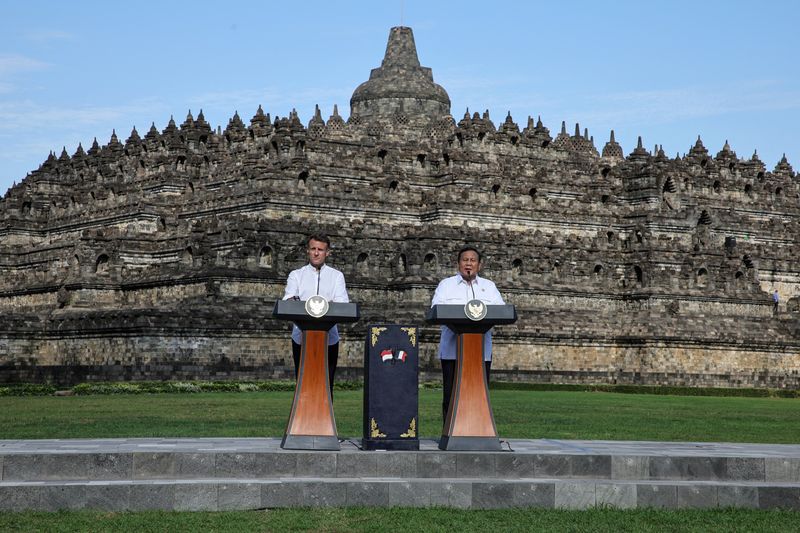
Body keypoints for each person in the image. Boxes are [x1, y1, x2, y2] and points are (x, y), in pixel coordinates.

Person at [431, 245, 505, 417]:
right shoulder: (446, 285)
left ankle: (480, 434)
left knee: (479, 395)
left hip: (480, 353)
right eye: (465, 260)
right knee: (451, 395)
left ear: (479, 265)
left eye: (473, 260)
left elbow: (501, 310)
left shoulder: (489, 286)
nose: (469, 264)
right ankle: (449, 435)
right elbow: (436, 308)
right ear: (458, 264)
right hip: (452, 353)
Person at [283, 234, 348, 388]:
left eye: (320, 249)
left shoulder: (337, 276)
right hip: (301, 337)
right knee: (302, 383)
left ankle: (325, 412)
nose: (316, 253)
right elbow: (288, 300)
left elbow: (342, 303)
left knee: (327, 384)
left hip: (329, 337)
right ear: (308, 251)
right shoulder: (296, 275)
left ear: (327, 252)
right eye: (313, 249)